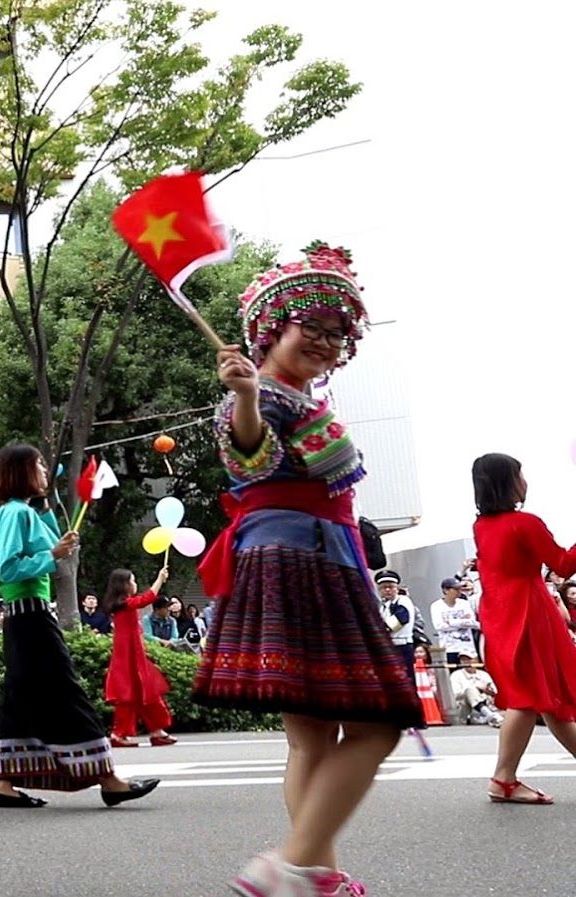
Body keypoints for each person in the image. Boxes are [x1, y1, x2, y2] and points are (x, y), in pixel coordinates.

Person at [198, 243, 420, 895]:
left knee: (310, 735)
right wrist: (242, 396)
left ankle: (312, 872)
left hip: (304, 556)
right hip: (301, 558)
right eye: (310, 328)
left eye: (335, 333)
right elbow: (247, 455)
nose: (324, 342)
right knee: (377, 723)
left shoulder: (294, 393)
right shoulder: (261, 391)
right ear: (272, 328)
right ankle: (289, 868)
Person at [0, 443, 158, 810]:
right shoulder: (17, 514)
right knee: (65, 691)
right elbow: (10, 569)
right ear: (22, 472)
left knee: (21, 696)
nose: (46, 471)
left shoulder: (13, 512)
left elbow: (46, 548)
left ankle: (3, 783)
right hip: (31, 617)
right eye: (39, 466)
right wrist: (53, 553)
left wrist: (47, 519)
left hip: (21, 617)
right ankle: (108, 778)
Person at [469, 453, 576, 804]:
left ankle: (504, 780)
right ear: (508, 482)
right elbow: (562, 563)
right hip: (528, 614)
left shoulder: (481, 526)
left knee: (547, 698)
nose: (525, 481)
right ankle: (503, 778)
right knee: (532, 698)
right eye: (520, 474)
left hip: (501, 612)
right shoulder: (525, 523)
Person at [104, 567, 177, 748]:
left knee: (144, 693)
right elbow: (147, 598)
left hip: (132, 656)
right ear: (124, 585)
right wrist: (160, 579)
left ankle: (155, 730)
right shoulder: (125, 604)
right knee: (129, 696)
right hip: (128, 657)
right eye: (133, 581)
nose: (135, 584)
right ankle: (119, 734)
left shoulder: (122, 604)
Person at [431, 576, 481, 666]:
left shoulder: (464, 603)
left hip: (467, 646)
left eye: (459, 588)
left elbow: (472, 622)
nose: (459, 591)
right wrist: (462, 621)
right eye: (456, 589)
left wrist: (451, 622)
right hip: (449, 647)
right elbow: (439, 626)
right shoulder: (436, 606)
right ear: (446, 590)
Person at [450, 658, 504, 728]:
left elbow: (495, 692)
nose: (466, 662)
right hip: (465, 708)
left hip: (487, 704)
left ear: (476, 661)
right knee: (470, 690)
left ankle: (488, 716)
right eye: (463, 660)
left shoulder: (484, 674)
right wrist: (476, 689)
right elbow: (455, 695)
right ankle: (489, 714)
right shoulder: (456, 675)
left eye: (469, 659)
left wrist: (487, 691)